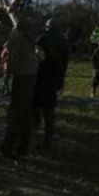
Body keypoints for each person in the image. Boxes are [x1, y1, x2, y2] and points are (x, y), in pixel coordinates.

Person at [0, 0, 40, 159]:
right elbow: (10, 25)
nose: (12, 7)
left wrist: (10, 9)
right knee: (21, 111)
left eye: (15, 4)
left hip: (26, 72)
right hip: (17, 70)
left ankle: (8, 148)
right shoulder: (20, 17)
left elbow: (19, 24)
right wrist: (0, 11)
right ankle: (22, 147)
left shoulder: (32, 17)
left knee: (17, 112)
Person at [32, 18, 66, 149]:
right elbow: (65, 61)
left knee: (42, 112)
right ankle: (44, 137)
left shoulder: (44, 42)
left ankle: (42, 136)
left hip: (43, 84)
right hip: (47, 84)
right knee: (45, 112)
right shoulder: (62, 40)